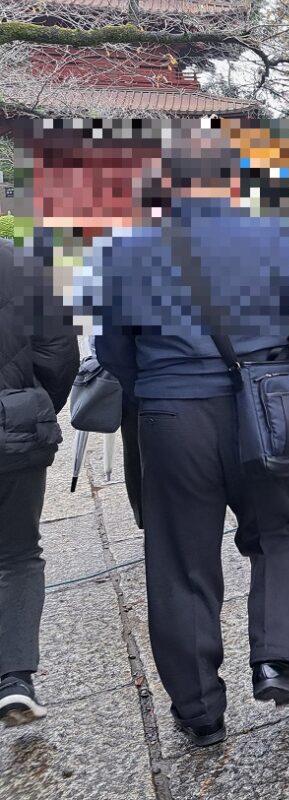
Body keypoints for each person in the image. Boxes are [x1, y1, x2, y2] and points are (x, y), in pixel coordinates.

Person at [86, 135, 289, 747]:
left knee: (179, 559)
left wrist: (155, 383)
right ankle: (277, 659)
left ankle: (200, 709)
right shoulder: (276, 235)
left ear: (167, 183)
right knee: (279, 530)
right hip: (264, 406)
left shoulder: (124, 248)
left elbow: (111, 350)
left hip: (171, 416)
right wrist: (283, 359)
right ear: (232, 180)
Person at [0, 239, 78, 726]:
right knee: (18, 554)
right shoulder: (20, 262)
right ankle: (14, 679)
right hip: (14, 427)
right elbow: (59, 351)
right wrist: (30, 406)